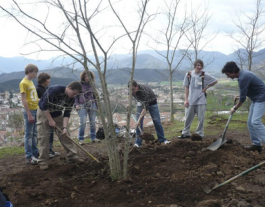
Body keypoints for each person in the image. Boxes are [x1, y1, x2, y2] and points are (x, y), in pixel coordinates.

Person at [37, 81, 82, 168]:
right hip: (44, 113)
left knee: (65, 135)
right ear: (69, 88)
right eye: (74, 93)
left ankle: (72, 156)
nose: (74, 95)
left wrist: (64, 128)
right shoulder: (55, 90)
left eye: (76, 94)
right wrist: (50, 120)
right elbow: (44, 106)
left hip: (57, 113)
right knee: (44, 137)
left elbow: (67, 113)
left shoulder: (71, 98)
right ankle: (42, 160)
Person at [222, 61, 265, 152]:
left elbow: (243, 98)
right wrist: (241, 95)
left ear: (233, 71)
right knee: (250, 122)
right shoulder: (242, 75)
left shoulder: (243, 77)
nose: (228, 76)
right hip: (256, 99)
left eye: (228, 74)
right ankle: (257, 145)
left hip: (262, 99)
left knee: (255, 122)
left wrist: (235, 108)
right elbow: (246, 91)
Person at [178, 59, 218, 140]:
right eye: (198, 65)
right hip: (191, 100)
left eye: (201, 66)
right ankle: (185, 133)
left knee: (201, 118)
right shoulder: (189, 74)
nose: (199, 67)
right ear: (195, 66)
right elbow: (186, 87)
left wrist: (206, 87)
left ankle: (199, 134)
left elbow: (215, 81)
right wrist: (186, 99)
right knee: (188, 117)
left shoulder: (204, 74)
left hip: (201, 100)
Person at [128, 80, 171, 148]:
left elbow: (145, 108)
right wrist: (129, 105)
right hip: (140, 103)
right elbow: (129, 96)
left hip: (151, 103)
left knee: (157, 122)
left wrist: (138, 120)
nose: (132, 92)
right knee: (138, 124)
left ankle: (162, 140)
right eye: (130, 90)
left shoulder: (143, 92)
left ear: (137, 87)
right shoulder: (131, 90)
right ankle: (138, 143)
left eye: (133, 90)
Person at [19, 64, 39, 165]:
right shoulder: (23, 83)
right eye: (35, 72)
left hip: (35, 109)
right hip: (29, 110)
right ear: (30, 71)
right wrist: (29, 114)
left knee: (34, 133)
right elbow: (24, 100)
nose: (36, 74)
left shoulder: (31, 82)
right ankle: (29, 157)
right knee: (29, 134)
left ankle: (35, 153)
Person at [36, 72, 59, 158]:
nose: (49, 80)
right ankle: (45, 151)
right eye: (48, 79)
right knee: (45, 133)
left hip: (49, 112)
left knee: (50, 132)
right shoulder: (38, 89)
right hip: (43, 113)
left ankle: (50, 149)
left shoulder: (46, 88)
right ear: (44, 80)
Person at [75, 71, 100, 145]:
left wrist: (97, 105)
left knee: (92, 122)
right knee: (83, 122)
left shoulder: (93, 85)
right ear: (83, 77)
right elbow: (76, 95)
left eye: (89, 76)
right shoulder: (79, 85)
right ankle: (81, 139)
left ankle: (93, 137)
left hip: (92, 104)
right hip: (82, 104)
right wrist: (76, 104)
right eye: (85, 76)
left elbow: (95, 95)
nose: (87, 78)